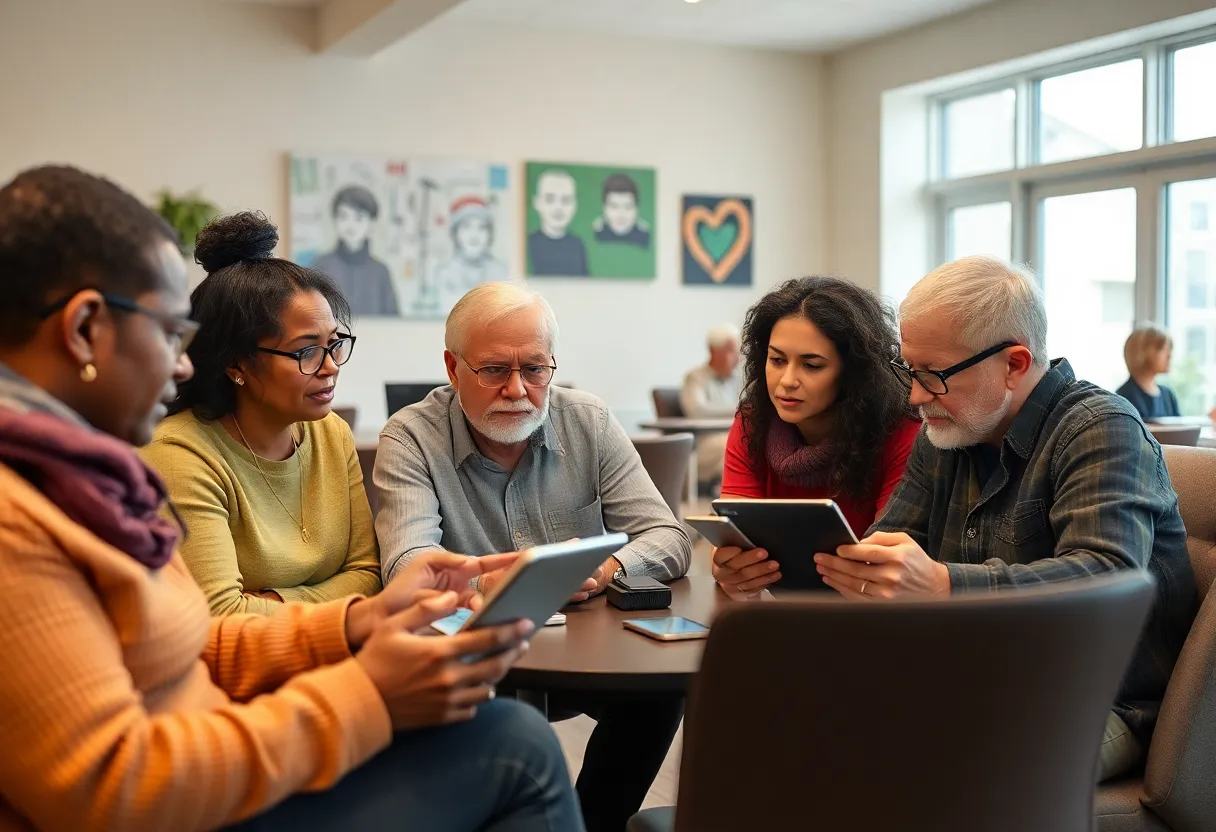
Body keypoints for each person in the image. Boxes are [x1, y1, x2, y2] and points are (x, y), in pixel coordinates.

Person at [0, 165, 583, 832]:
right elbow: (117, 789)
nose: (182, 364)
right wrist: (368, 694)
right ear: (83, 330)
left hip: (222, 750)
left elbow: (196, 643)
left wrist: (359, 620)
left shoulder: (81, 478)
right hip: (194, 793)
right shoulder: (20, 516)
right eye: (168, 333)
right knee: (517, 750)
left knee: (504, 732)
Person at [813, 255, 1196, 782]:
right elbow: (888, 546)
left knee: (931, 767)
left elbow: (1108, 574)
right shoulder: (946, 431)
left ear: (1015, 363)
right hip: (975, 680)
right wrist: (803, 562)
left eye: (934, 375)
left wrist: (945, 585)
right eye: (909, 370)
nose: (916, 395)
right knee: (799, 722)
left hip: (1096, 702)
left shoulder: (1101, 428)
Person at [374, 281, 692, 832]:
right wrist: (485, 588)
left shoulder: (587, 420)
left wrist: (607, 568)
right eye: (495, 370)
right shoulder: (411, 436)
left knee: (658, 694)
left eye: (535, 370)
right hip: (479, 653)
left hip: (583, 655)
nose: (518, 390)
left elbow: (666, 533)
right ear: (453, 368)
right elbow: (407, 565)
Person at [141, 212, 383, 616]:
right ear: (237, 364)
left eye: (335, 344)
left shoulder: (331, 433)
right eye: (306, 351)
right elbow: (220, 616)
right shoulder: (178, 455)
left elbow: (369, 573)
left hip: (335, 652)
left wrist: (271, 602)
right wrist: (330, 598)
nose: (331, 366)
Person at [710, 277, 921, 600]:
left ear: (852, 373)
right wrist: (729, 566)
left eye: (811, 365)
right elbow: (735, 536)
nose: (787, 381)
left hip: (872, 622)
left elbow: (886, 564)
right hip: (782, 619)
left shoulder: (901, 431)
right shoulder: (752, 421)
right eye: (777, 360)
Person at [312, 184, 399, 317]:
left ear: (372, 224)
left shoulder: (380, 272)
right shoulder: (320, 266)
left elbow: (393, 320)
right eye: (344, 216)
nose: (351, 224)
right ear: (335, 219)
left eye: (359, 218)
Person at [679, 323, 742, 488]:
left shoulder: (737, 380)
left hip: (728, 436)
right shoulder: (695, 378)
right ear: (715, 352)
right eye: (731, 351)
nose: (737, 358)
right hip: (702, 445)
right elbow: (696, 411)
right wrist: (738, 411)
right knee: (735, 442)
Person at [436, 195, 509, 304]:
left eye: (482, 227)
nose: (474, 235)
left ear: (490, 234)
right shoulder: (444, 274)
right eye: (466, 227)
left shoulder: (501, 273)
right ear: (455, 233)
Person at [527, 170, 588, 276]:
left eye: (566, 200)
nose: (558, 207)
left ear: (575, 205)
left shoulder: (577, 245)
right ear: (537, 203)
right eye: (550, 199)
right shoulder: (529, 244)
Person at [1116, 324, 1181, 420]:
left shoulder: (1168, 395)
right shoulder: (1124, 397)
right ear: (1141, 352)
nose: (1169, 355)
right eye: (1163, 349)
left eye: (1169, 349)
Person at [592, 173, 650, 247]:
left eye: (628, 207)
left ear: (637, 209)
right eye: (614, 206)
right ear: (604, 208)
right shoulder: (596, 235)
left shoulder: (645, 237)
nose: (621, 214)